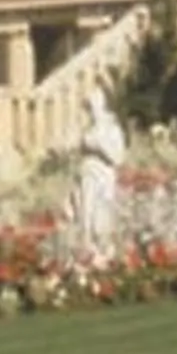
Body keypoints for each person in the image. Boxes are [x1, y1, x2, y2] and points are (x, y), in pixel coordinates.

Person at [72, 86, 126, 250]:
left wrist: (99, 146)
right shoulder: (88, 129)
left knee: (101, 217)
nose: (90, 112)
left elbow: (118, 157)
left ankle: (101, 251)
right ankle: (86, 248)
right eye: (88, 107)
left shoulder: (112, 129)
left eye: (93, 106)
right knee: (85, 215)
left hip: (103, 177)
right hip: (87, 176)